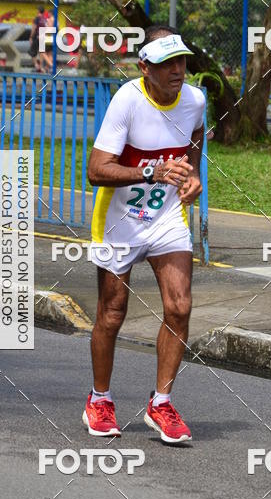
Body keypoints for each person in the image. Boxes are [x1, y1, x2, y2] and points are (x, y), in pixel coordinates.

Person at [85, 25, 204, 443]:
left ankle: (161, 403)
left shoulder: (194, 99)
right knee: (112, 313)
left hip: (167, 217)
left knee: (180, 306)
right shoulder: (128, 101)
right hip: (120, 220)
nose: (178, 71)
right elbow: (96, 170)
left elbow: (194, 138)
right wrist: (151, 171)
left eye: (182, 61)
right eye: (167, 63)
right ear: (145, 68)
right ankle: (100, 399)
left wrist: (193, 176)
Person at [29, 6, 45, 72]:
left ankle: (36, 66)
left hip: (36, 36)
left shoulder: (37, 18)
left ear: (38, 11)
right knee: (41, 52)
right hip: (43, 36)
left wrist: (31, 37)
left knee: (32, 51)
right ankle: (41, 67)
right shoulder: (44, 19)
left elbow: (34, 28)